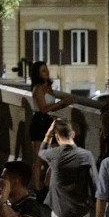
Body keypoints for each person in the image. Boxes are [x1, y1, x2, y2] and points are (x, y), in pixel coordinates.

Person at [29, 61, 76, 191]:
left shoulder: (48, 87)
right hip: (39, 121)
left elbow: (51, 108)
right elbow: (43, 109)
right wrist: (62, 101)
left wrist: (65, 104)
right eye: (43, 71)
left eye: (46, 70)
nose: (47, 72)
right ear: (38, 74)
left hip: (48, 121)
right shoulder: (38, 88)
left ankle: (46, 185)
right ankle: (37, 189)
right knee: (38, 159)